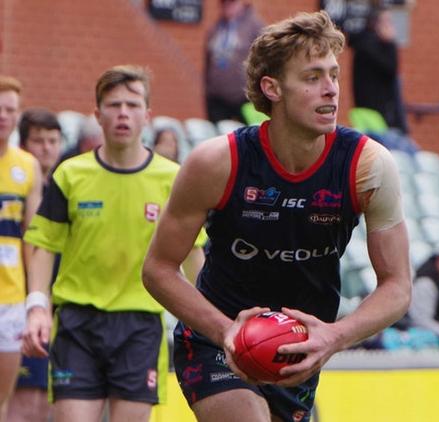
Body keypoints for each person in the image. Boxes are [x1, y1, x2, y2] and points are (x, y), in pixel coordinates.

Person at [143, 11, 411, 422]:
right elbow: (158, 268)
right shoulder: (218, 162)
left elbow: (397, 287)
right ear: (272, 88)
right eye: (312, 78)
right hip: (216, 340)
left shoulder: (368, 166)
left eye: (334, 75)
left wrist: (334, 336)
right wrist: (224, 331)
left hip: (300, 349)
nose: (331, 91)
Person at [20, 65, 205, 422]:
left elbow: (193, 254)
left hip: (140, 325)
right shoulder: (70, 174)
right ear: (97, 114)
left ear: (147, 115)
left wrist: (209, 324)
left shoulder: (173, 179)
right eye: (114, 104)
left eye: (133, 105)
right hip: (77, 324)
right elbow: (44, 247)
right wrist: (37, 307)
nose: (123, 113)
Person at [7, 108, 63, 422]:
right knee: (22, 403)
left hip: (55, 308)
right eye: (38, 141)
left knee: (45, 402)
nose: (46, 148)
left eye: (53, 140)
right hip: (18, 304)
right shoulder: (14, 188)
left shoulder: (65, 188)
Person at [0, 76, 42, 422]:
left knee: (3, 400)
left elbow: (32, 236)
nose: (3, 115)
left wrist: (33, 299)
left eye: (10, 109)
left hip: (10, 297)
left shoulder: (26, 166)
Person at [349, 6, 409, 134]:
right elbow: (391, 69)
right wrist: (390, 44)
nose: (391, 26)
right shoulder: (371, 47)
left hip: (370, 113)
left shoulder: (363, 44)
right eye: (387, 21)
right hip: (377, 116)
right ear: (375, 23)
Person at [205, 0, 263, 123]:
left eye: (232, 3)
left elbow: (264, 62)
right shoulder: (216, 28)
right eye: (224, 3)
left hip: (245, 98)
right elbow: (207, 63)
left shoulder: (255, 27)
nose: (227, 6)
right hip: (217, 98)